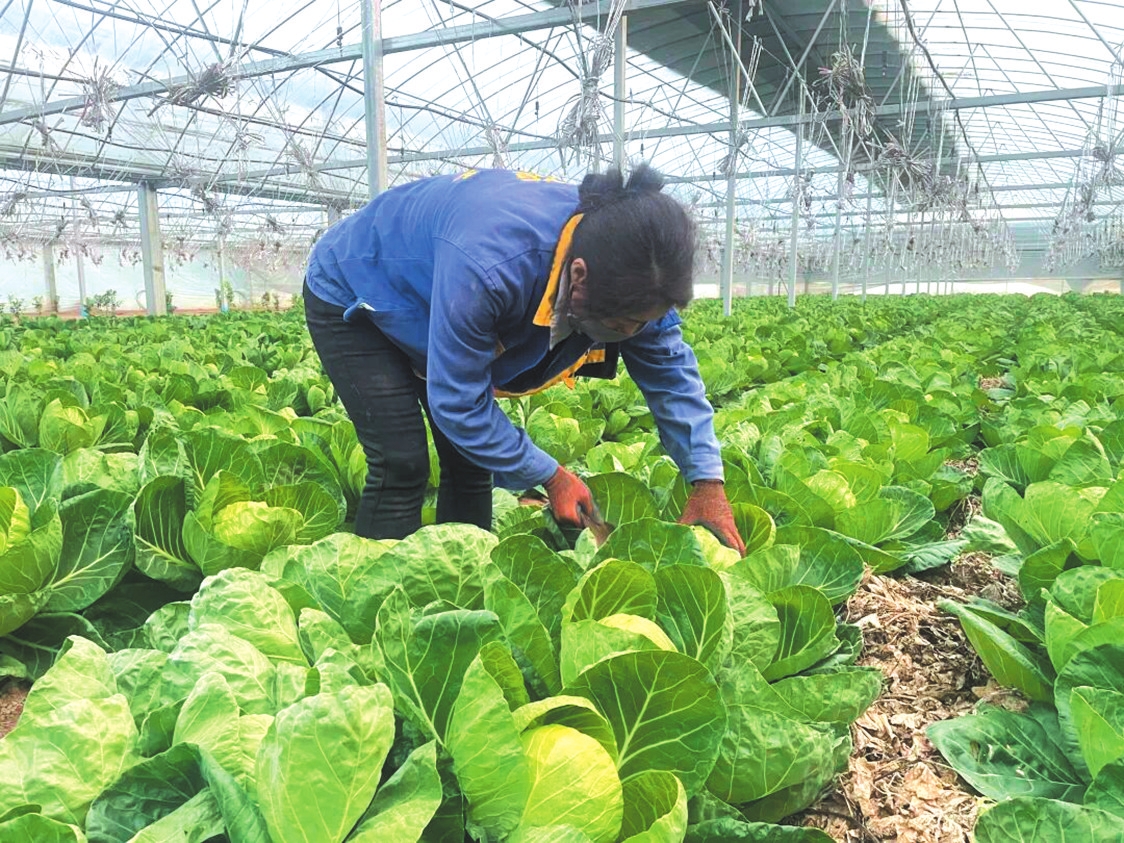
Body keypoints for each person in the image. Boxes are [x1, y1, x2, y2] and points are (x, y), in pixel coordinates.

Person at [303, 164, 746, 555]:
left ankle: (459, 588)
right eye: (624, 324)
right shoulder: (492, 266)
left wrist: (706, 482)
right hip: (356, 289)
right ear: (579, 276)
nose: (633, 334)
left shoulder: (636, 270)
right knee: (402, 461)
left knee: (471, 461)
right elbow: (460, 405)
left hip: (435, 291)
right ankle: (375, 601)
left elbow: (670, 375)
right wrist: (551, 476)